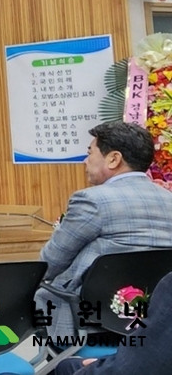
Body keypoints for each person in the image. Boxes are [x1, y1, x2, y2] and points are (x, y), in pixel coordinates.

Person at [35, 121, 172, 340]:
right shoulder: (169, 201)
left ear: (113, 159)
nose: (85, 161)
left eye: (90, 153)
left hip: (90, 323)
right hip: (155, 322)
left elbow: (49, 263)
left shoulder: (92, 201)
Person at [52, 270, 172, 375]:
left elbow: (142, 366)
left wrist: (103, 365)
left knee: (66, 366)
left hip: (84, 326)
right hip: (131, 334)